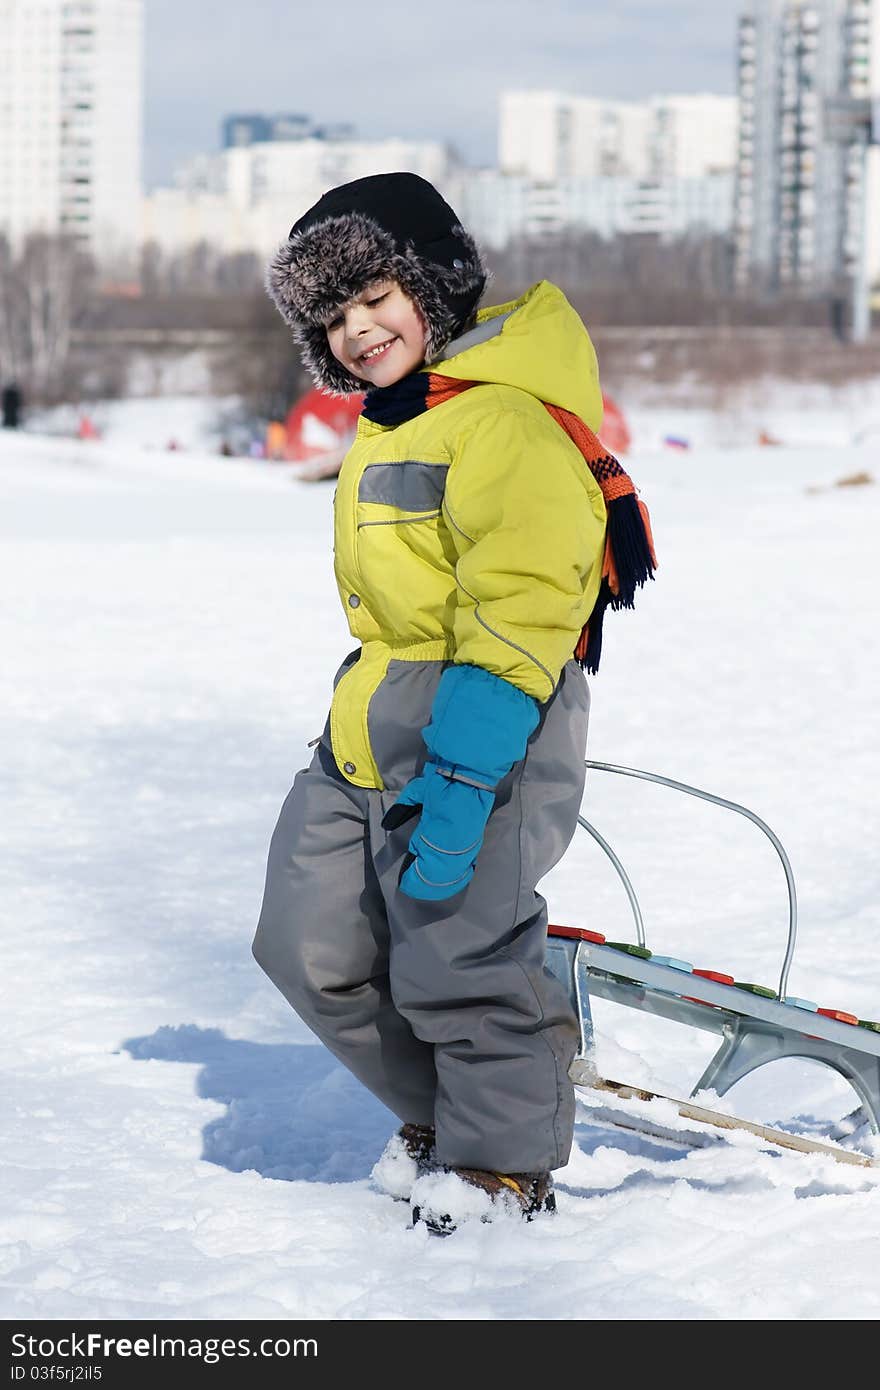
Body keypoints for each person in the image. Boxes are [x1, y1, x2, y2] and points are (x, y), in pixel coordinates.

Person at [253, 172, 656, 1236]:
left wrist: (471, 767)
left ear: (431, 281)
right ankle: (461, 1112)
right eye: (330, 318)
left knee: (457, 961)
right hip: (368, 728)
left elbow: (522, 606)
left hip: (485, 726)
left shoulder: (501, 422)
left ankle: (501, 1168)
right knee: (307, 947)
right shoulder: (400, 419)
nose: (357, 330)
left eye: (373, 295)